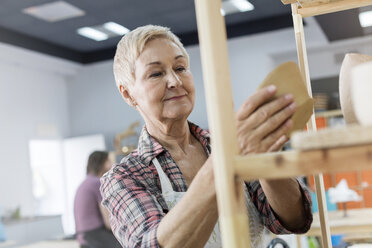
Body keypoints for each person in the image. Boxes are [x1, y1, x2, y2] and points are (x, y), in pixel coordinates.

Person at [101, 25, 313, 248]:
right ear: (128, 93)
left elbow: (295, 221)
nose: (175, 81)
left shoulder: (227, 142)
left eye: (180, 67)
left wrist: (265, 156)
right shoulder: (124, 178)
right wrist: (226, 158)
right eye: (156, 73)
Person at [74, 151, 121, 248]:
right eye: (108, 161)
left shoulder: (86, 182)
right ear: (101, 163)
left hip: (83, 236)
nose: (112, 164)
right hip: (95, 234)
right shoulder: (97, 183)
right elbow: (108, 222)